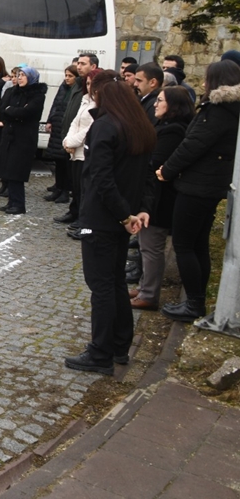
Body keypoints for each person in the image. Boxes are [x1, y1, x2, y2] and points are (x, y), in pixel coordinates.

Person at [65, 77, 156, 374]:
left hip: (103, 219)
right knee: (116, 281)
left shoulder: (106, 126)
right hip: (121, 218)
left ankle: (101, 352)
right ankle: (119, 344)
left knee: (102, 286)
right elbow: (146, 177)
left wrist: (124, 215)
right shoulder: (138, 127)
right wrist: (139, 210)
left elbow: (101, 178)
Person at [158, 60, 240, 322]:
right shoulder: (228, 109)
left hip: (198, 186)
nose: (203, 83)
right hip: (208, 184)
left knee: (184, 244)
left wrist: (166, 170)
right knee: (198, 244)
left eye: (207, 78)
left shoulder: (218, 110)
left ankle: (194, 303)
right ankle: (197, 299)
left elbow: (192, 145)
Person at [131, 87, 195, 310]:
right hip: (155, 195)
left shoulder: (173, 131)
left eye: (160, 101)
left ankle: (149, 294)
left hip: (161, 198)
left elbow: (155, 161)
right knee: (145, 245)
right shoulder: (165, 126)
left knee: (151, 246)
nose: (155, 104)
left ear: (174, 106)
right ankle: (143, 287)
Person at [0, 65, 47, 214]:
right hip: (10, 135)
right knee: (8, 170)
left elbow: (27, 112)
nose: (20, 78)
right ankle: (11, 201)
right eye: (19, 75)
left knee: (17, 171)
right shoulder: (13, 91)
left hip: (24, 138)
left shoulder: (37, 95)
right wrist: (12, 111)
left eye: (23, 75)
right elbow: (1, 109)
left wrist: (12, 111)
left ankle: (18, 204)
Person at [59, 68, 103, 234]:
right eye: (88, 84)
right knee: (76, 187)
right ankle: (75, 212)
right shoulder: (85, 99)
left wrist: (72, 142)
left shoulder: (99, 104)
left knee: (84, 189)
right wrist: (67, 141)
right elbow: (75, 122)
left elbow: (89, 129)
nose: (90, 87)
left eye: (93, 84)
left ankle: (83, 220)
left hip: (83, 150)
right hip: (74, 150)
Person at [43, 65, 78, 202]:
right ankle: (58, 187)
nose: (67, 78)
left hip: (68, 127)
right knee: (58, 160)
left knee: (66, 161)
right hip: (58, 125)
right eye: (66, 75)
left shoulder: (77, 91)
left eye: (70, 76)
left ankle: (65, 190)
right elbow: (56, 104)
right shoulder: (63, 87)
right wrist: (50, 120)